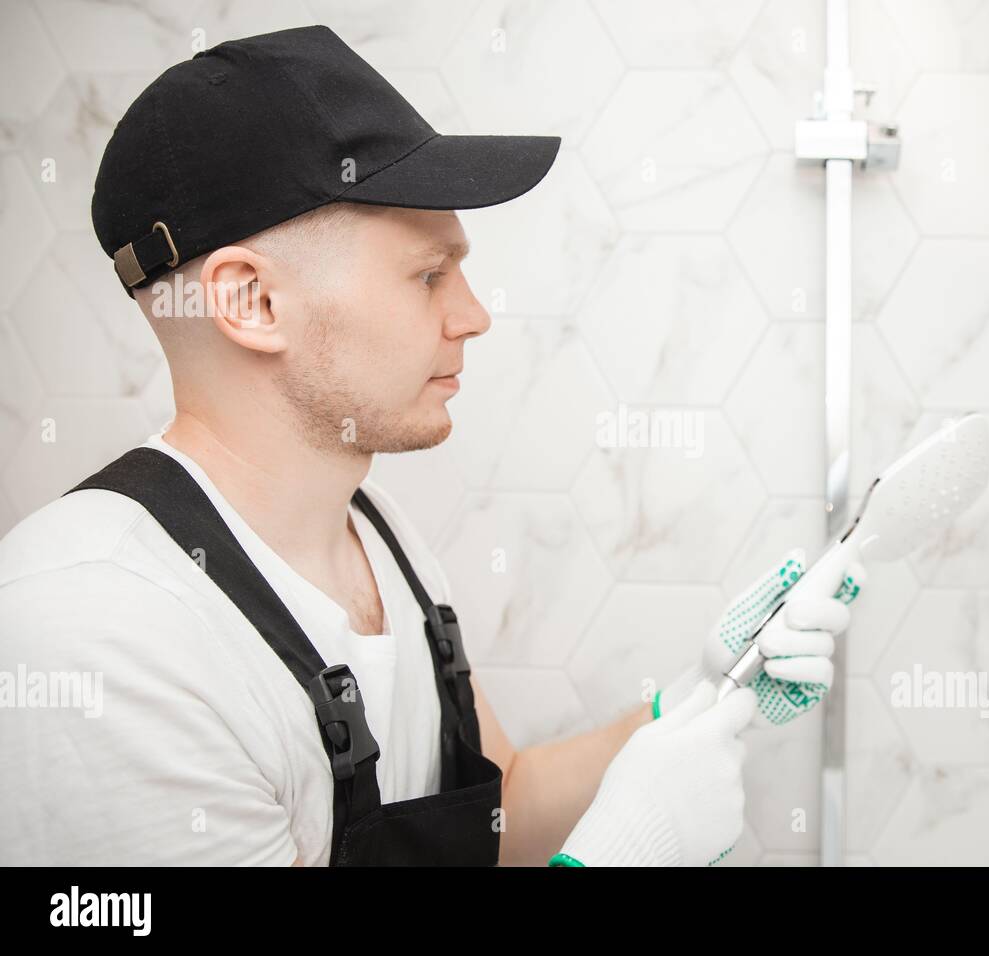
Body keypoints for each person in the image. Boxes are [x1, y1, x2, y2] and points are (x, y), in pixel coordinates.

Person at [0, 25, 859, 867]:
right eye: (428, 274)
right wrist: (615, 852)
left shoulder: (377, 536)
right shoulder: (99, 637)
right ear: (252, 304)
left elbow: (504, 806)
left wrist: (701, 700)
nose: (474, 315)